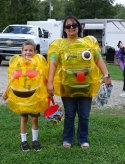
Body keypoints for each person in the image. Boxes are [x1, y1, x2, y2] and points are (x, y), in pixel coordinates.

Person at [47, 16, 111, 149]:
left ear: (78, 27)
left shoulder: (88, 43)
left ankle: (83, 139)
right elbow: (53, 63)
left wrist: (106, 75)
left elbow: (98, 59)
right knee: (69, 115)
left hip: (86, 87)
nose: (71, 28)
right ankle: (67, 139)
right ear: (64, 29)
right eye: (68, 26)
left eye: (74, 25)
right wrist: (50, 82)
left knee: (84, 115)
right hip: (67, 87)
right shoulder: (58, 45)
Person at [2, 40, 49, 151]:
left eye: (30, 50)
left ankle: (35, 140)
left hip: (34, 98)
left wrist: (47, 91)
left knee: (34, 119)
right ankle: (23, 141)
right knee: (23, 119)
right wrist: (6, 91)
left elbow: (43, 78)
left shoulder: (38, 62)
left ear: (35, 51)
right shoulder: (17, 63)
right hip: (21, 99)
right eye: (26, 50)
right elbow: (12, 79)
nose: (28, 52)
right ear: (21, 51)